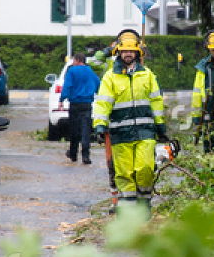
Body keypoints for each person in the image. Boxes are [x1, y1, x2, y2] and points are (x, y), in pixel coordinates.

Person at [92, 29, 167, 209]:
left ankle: (144, 203)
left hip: (145, 132)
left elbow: (156, 101)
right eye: (124, 51)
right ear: (118, 51)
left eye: (131, 51)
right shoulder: (110, 76)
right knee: (124, 173)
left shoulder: (147, 75)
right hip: (120, 133)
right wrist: (100, 125)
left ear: (137, 52)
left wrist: (161, 127)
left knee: (145, 169)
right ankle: (127, 211)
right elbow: (103, 103)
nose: (127, 54)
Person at [60, 52, 99, 165]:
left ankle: (73, 154)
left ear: (77, 60)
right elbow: (98, 85)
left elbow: (67, 86)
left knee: (74, 130)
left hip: (74, 105)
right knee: (86, 131)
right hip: (87, 105)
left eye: (73, 61)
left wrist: (61, 100)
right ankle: (85, 156)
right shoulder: (90, 72)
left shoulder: (72, 71)